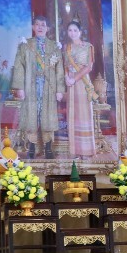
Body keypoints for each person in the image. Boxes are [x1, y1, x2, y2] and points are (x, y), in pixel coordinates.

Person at [9, 16, 64, 159]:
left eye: (43, 25)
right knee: (31, 115)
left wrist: (59, 90)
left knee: (48, 116)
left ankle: (48, 147)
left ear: (47, 29)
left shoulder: (54, 47)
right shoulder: (25, 45)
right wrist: (19, 87)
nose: (40, 27)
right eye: (37, 24)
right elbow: (19, 67)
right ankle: (32, 146)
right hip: (30, 86)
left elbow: (60, 69)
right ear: (33, 27)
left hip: (49, 86)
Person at [62, 20, 98, 159]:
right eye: (70, 30)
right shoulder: (67, 47)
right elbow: (65, 64)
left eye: (75, 30)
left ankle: (87, 150)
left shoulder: (88, 46)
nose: (72, 33)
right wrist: (66, 77)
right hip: (70, 83)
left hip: (82, 82)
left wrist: (74, 78)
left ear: (80, 32)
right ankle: (75, 150)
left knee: (84, 113)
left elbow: (89, 67)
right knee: (73, 114)